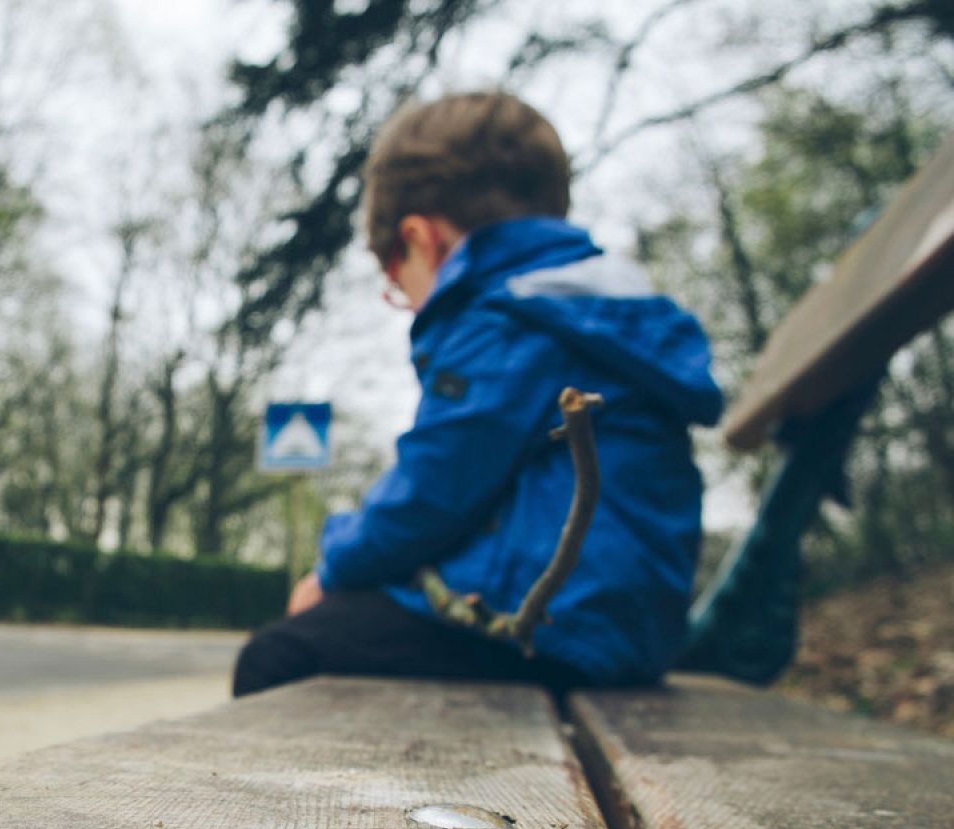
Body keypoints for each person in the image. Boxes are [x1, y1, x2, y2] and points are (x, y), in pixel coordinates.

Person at [232, 91, 723, 698]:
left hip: (546, 631)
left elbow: (430, 496)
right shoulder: (595, 309)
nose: (408, 303)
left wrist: (329, 570)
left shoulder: (508, 321)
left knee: (280, 655)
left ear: (421, 238)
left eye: (397, 282)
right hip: (622, 631)